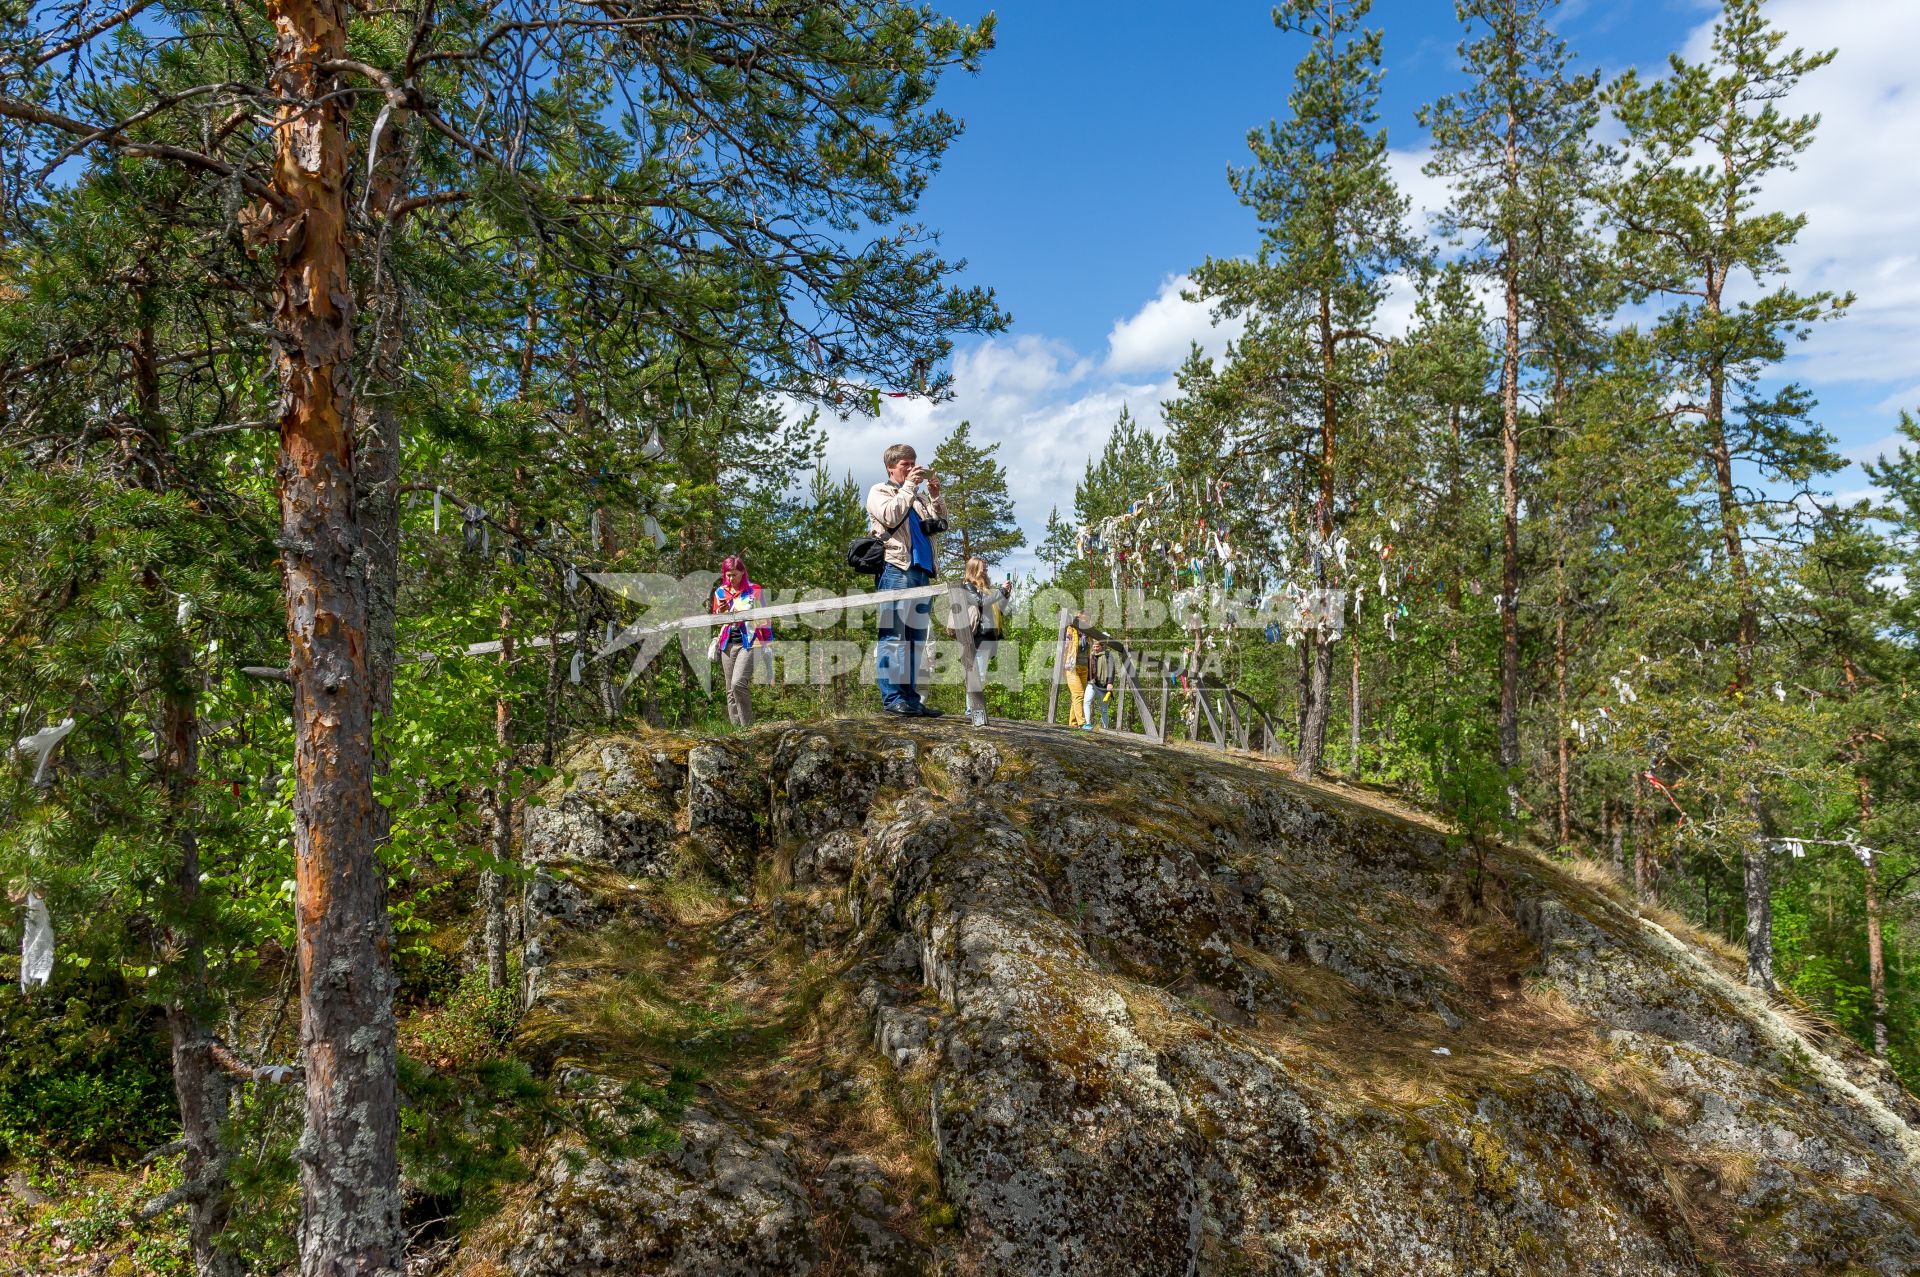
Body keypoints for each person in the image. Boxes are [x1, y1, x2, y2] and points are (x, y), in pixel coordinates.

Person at [867, 444, 949, 717]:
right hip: (896, 569)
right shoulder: (880, 491)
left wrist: (935, 497)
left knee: (915, 640)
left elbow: (939, 524)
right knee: (893, 636)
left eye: (914, 463)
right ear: (891, 467)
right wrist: (910, 488)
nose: (913, 469)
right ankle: (892, 698)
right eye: (906, 464)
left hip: (922, 571)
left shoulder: (918, 498)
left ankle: (912, 700)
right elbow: (890, 516)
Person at [709, 555, 771, 728]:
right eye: (728, 575)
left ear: (743, 573)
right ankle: (737, 732)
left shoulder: (755, 590)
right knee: (730, 690)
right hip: (727, 644)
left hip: (750, 642)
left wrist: (768, 643)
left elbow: (765, 617)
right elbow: (717, 620)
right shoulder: (720, 591)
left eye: (734, 574)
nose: (731, 579)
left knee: (738, 683)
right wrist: (720, 612)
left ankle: (748, 728)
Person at [958, 557, 1012, 728]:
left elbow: (1000, 610)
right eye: (983, 569)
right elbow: (980, 602)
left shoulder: (987, 589)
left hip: (990, 636)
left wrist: (1006, 595)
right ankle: (972, 711)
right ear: (974, 569)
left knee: (980, 675)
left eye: (987, 569)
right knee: (977, 675)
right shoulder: (968, 585)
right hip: (978, 636)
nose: (986, 571)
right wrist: (1001, 592)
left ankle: (972, 709)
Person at [1062, 614, 1090, 728]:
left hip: (1084, 668)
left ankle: (1073, 724)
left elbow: (1095, 645)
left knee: (1076, 696)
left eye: (1087, 620)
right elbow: (1066, 645)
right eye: (1083, 619)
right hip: (1072, 667)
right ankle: (1082, 723)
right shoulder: (1071, 629)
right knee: (1079, 694)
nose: (1086, 622)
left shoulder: (1089, 633)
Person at [1082, 636, 1116, 731]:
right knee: (1086, 701)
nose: (1095, 648)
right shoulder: (1090, 655)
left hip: (1103, 685)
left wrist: (1110, 683)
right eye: (1094, 646)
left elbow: (1112, 670)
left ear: (1102, 646)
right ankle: (1088, 724)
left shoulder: (1108, 655)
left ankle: (1106, 728)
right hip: (1091, 683)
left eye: (1097, 646)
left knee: (1104, 709)